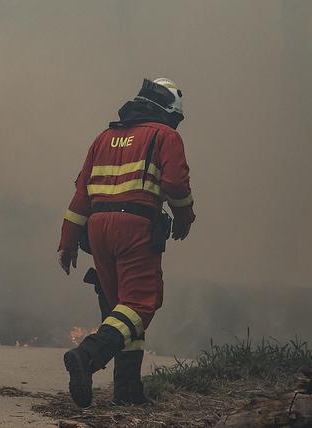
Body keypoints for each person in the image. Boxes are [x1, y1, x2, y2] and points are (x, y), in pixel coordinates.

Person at [56, 77, 197, 407]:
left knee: (121, 307)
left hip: (97, 230)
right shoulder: (165, 135)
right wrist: (185, 217)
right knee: (140, 304)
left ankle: (128, 392)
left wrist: (68, 241)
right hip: (134, 227)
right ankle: (87, 357)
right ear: (167, 112)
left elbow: (81, 195)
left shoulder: (103, 138)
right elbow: (176, 184)